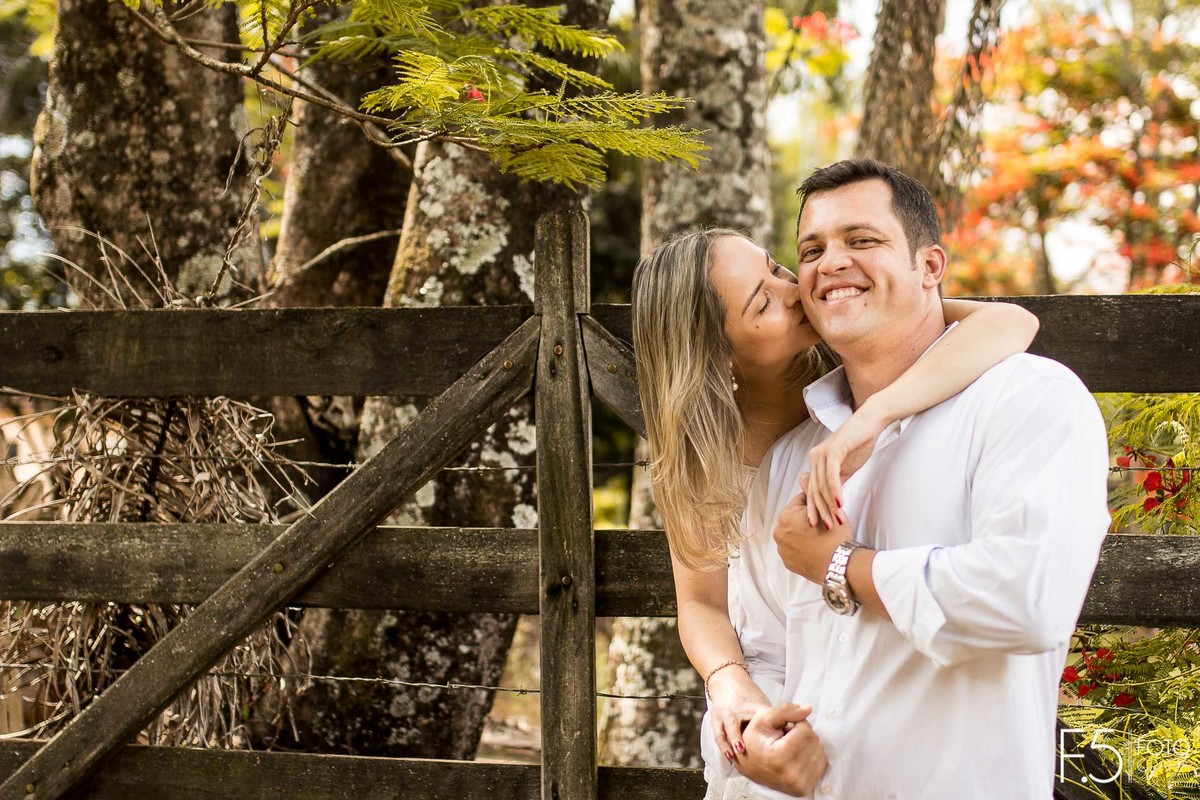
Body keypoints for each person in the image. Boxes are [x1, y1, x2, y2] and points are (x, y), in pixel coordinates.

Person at [631, 215, 1041, 796]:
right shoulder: (704, 457)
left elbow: (1011, 322)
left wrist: (874, 417)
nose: (793, 289)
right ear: (720, 356)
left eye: (775, 268)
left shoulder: (853, 360)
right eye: (761, 302)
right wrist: (729, 685)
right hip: (778, 696)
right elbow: (700, 603)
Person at [744, 158, 1110, 798]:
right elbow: (763, 654)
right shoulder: (787, 458)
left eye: (862, 241)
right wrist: (753, 741)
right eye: (812, 249)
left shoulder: (1029, 400)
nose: (830, 262)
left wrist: (843, 567)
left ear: (930, 267)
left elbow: (1024, 602)